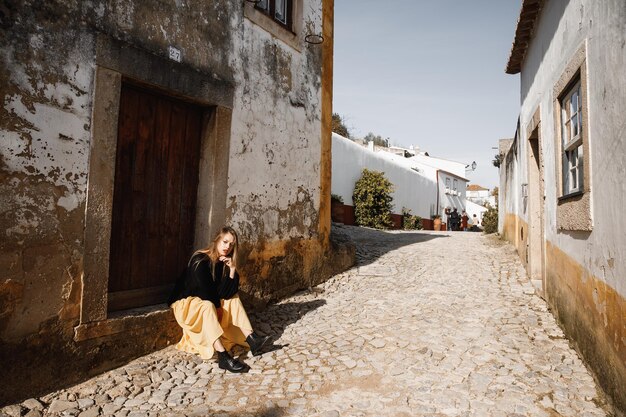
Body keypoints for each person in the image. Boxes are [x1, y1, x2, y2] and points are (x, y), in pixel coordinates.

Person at [168, 226, 270, 373]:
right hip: (187, 305)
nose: (227, 247)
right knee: (208, 304)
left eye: (231, 244)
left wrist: (232, 270)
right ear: (217, 241)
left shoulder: (223, 263)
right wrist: (218, 308)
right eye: (225, 242)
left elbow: (227, 293)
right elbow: (204, 292)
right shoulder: (200, 259)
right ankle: (223, 356)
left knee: (233, 298)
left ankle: (252, 338)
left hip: (206, 302)